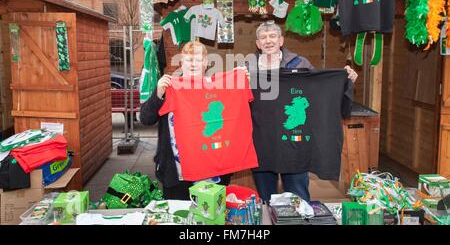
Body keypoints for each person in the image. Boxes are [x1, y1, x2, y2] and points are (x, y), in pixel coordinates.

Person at [248, 20, 358, 203]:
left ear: (281, 40)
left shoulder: (300, 63)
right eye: (263, 38)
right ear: (258, 44)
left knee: (298, 199)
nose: (268, 41)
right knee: (266, 200)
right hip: (262, 141)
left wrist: (343, 80)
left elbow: (318, 89)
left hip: (294, 141)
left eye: (272, 36)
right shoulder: (248, 67)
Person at [140, 41, 231, 200]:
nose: (193, 64)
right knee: (177, 216)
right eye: (189, 60)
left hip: (211, 172)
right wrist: (158, 95)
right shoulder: (168, 88)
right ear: (182, 63)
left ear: (206, 63)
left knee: (209, 219)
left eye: (198, 59)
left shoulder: (219, 89)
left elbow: (233, 122)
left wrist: (243, 86)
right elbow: (146, 119)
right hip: (177, 174)